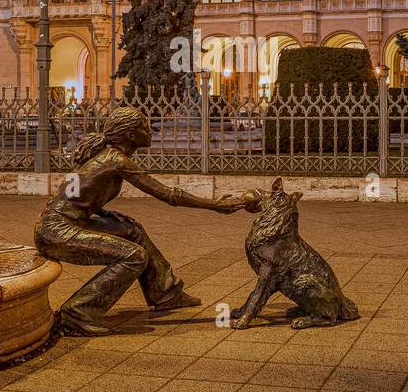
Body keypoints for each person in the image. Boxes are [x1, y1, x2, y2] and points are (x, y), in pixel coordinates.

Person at [35, 106, 255, 336]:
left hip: (70, 222)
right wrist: (215, 205)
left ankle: (165, 292)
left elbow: (78, 192)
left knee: (133, 230)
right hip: (55, 231)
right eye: (145, 127)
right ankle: (77, 312)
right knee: (134, 256)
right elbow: (168, 195)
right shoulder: (116, 160)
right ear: (130, 135)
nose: (151, 131)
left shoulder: (109, 157)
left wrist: (104, 213)